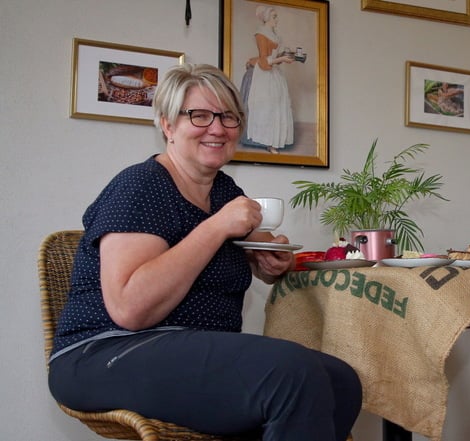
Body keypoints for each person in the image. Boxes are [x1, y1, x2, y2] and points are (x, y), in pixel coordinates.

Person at [48, 63, 362, 441]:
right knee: (291, 372)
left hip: (186, 347)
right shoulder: (140, 186)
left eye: (228, 117)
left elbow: (238, 253)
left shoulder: (224, 190)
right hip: (105, 351)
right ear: (167, 125)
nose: (217, 128)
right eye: (199, 115)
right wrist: (215, 227)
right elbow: (130, 309)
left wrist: (268, 260)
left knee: (341, 380)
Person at [242, 5, 295, 154]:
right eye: (274, 17)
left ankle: (276, 140)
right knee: (267, 107)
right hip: (264, 75)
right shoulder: (261, 34)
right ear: (266, 18)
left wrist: (286, 54)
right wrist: (282, 58)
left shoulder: (275, 35)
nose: (277, 19)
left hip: (276, 74)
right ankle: (268, 142)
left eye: (276, 16)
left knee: (279, 105)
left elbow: (276, 57)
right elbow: (265, 61)